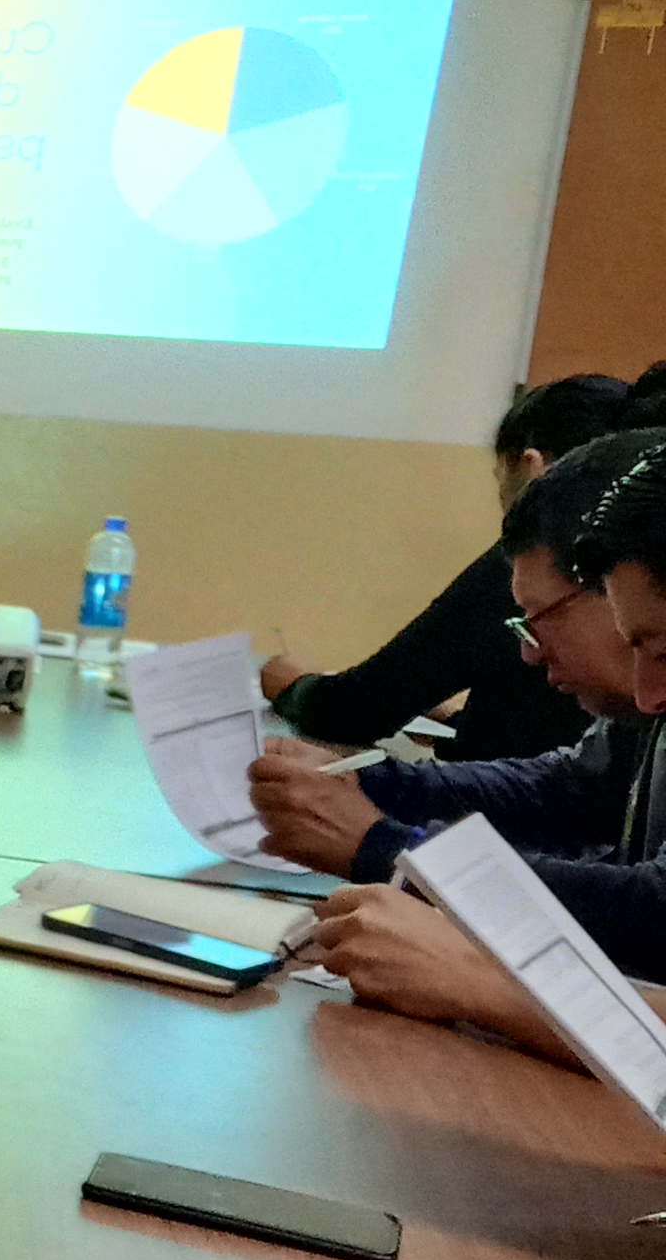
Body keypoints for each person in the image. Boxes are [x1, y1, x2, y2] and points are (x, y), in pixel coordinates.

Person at [279, 433, 666, 1033]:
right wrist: (373, 785)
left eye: (653, 646)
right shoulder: (643, 712)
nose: (647, 694)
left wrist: (393, 854)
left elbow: (655, 915)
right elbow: (569, 786)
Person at [258, 374, 628, 760]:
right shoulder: (633, 555)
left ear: (532, 468)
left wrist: (292, 684)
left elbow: (355, 710)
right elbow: (552, 732)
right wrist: (459, 725)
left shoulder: (532, 562)